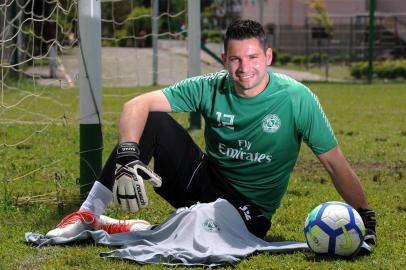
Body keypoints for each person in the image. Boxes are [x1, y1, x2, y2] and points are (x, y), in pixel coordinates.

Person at [46, 19, 376, 243]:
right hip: (203, 182)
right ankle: (86, 216)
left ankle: (136, 228)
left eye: (253, 57)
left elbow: (335, 163)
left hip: (249, 210)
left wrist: (365, 217)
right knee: (153, 118)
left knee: (193, 238)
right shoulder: (209, 86)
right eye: (235, 59)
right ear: (223, 59)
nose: (244, 68)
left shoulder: (297, 98)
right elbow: (135, 105)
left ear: (268, 57)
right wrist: (129, 156)